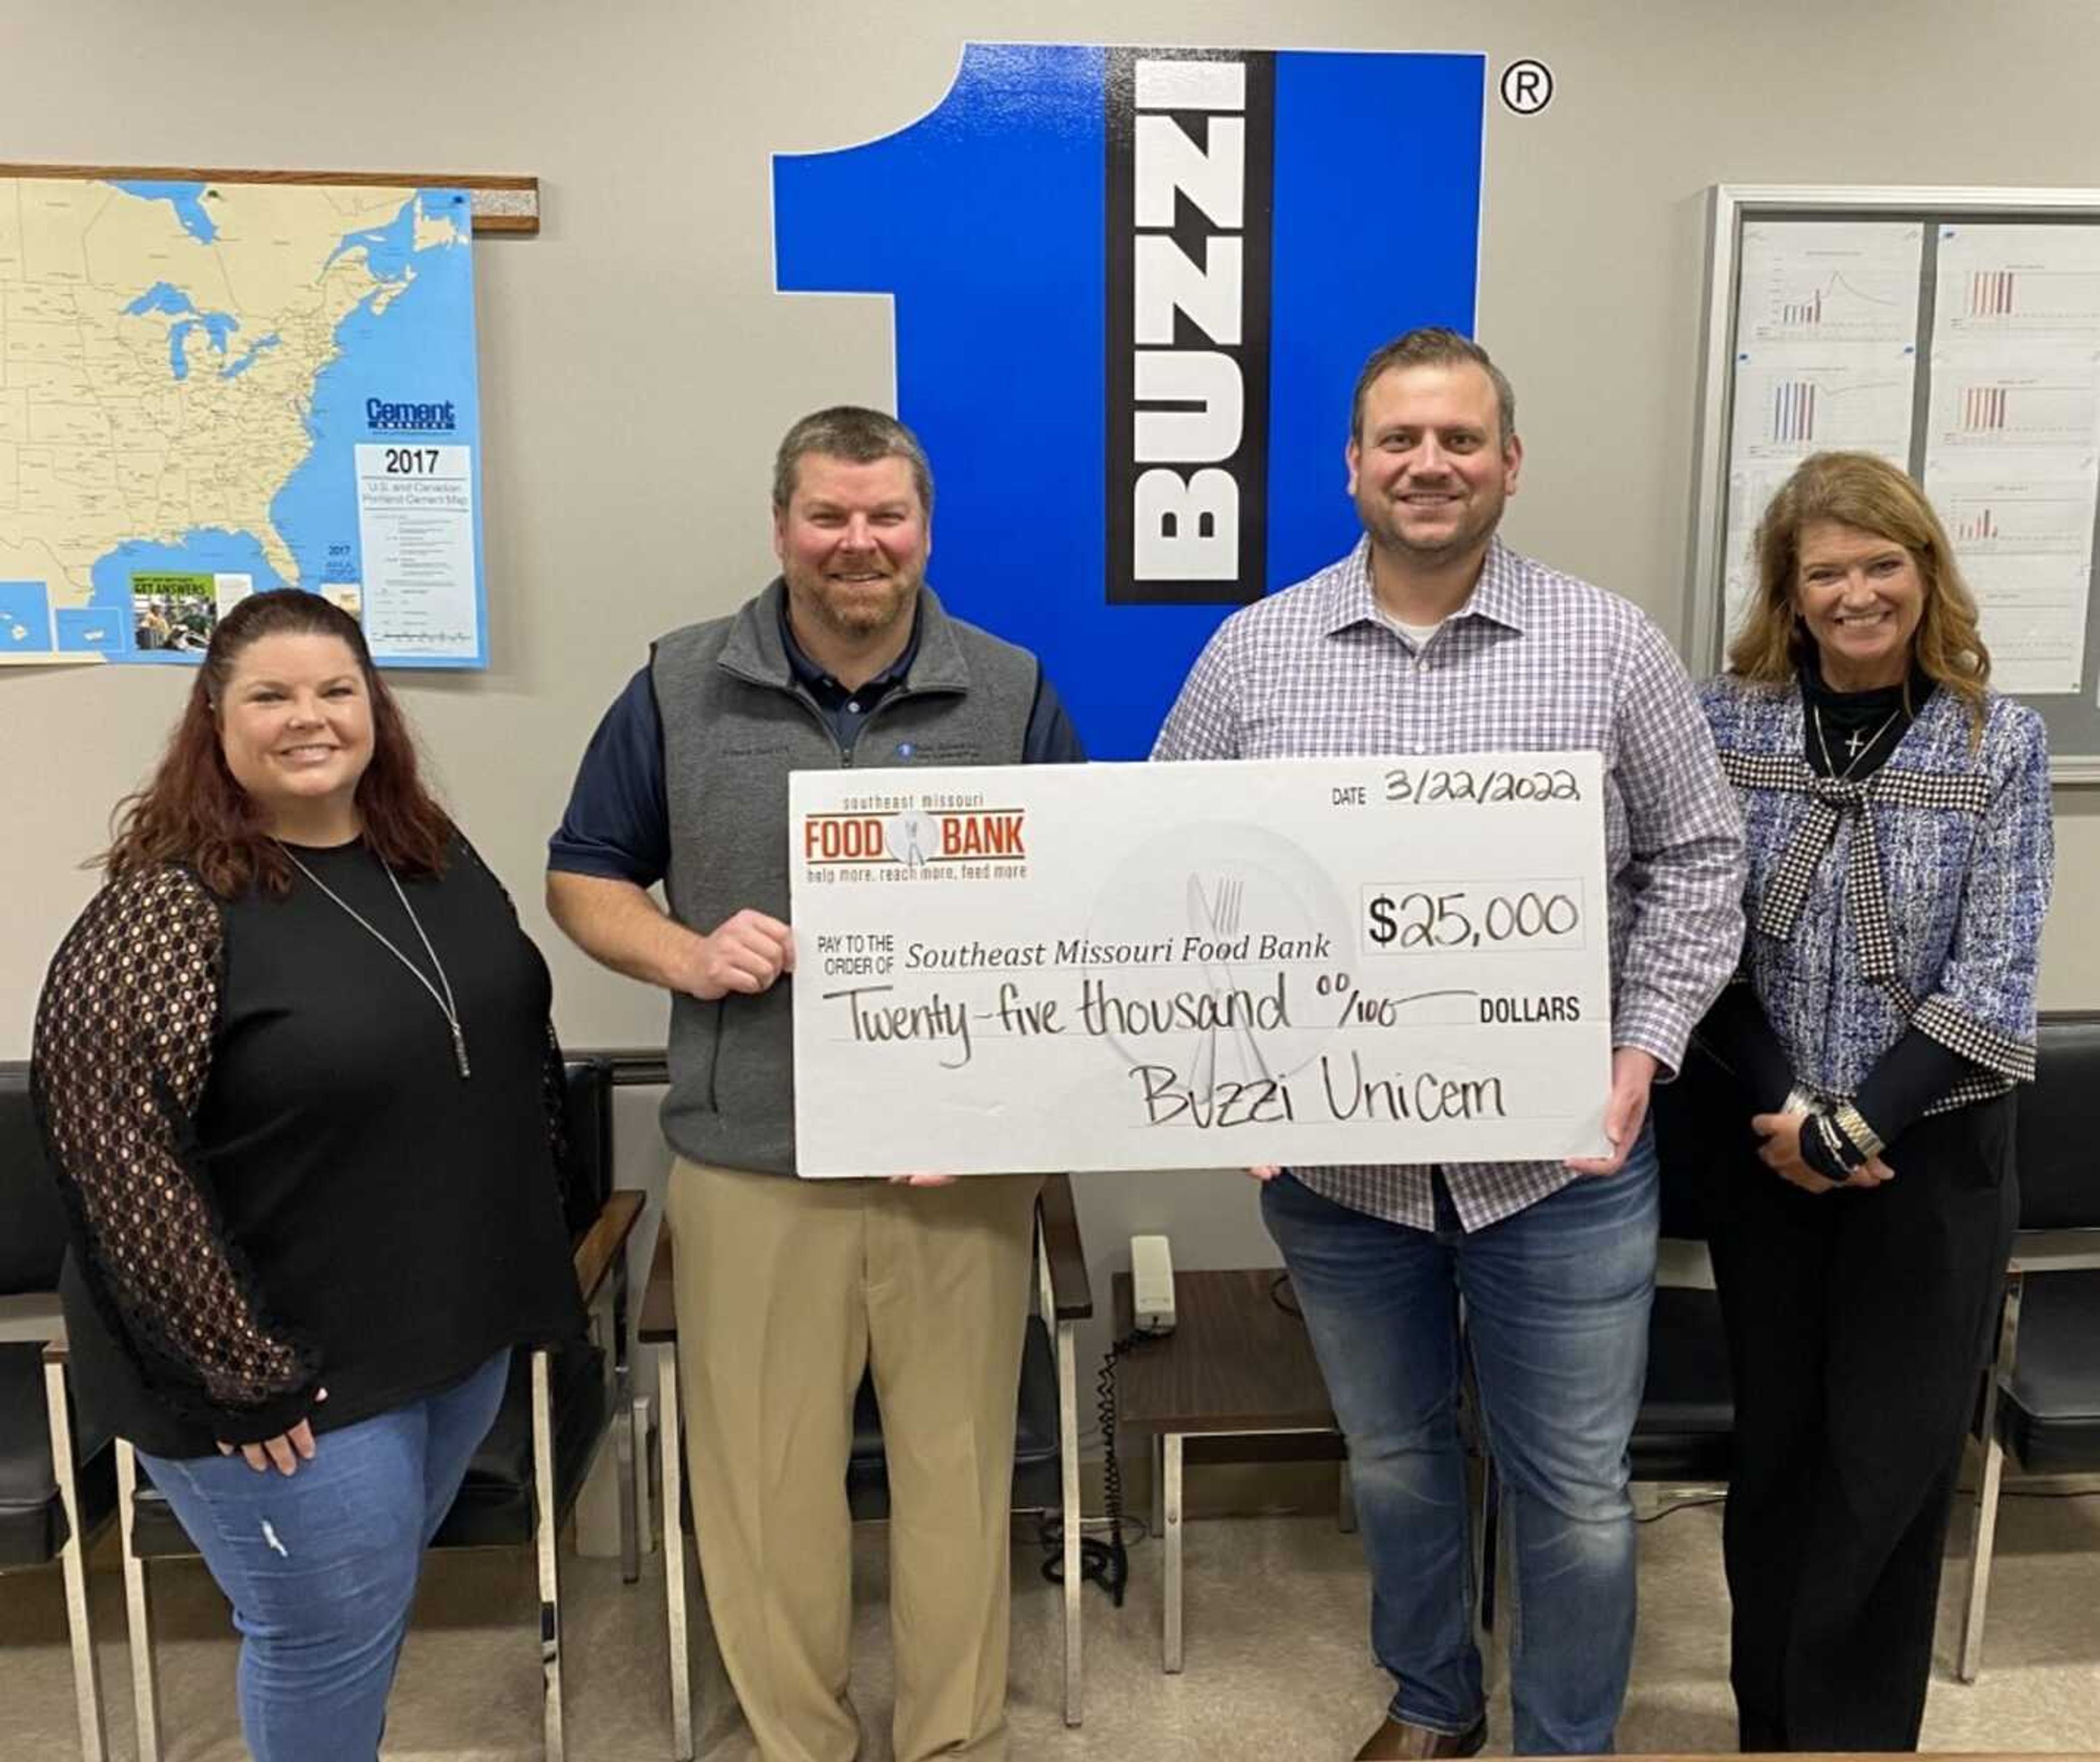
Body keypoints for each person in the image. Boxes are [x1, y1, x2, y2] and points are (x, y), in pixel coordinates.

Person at [1152, 327, 1745, 1758]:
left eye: (1460, 439)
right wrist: (1229, 1073)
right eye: (1402, 440)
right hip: (1343, 1177)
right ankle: (1433, 1700)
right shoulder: (1255, 652)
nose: (1431, 464)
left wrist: (1637, 1055)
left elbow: (1703, 858)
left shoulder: (1612, 645)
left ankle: (1565, 1740)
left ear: (1510, 464)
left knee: (1582, 1498)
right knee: (1400, 1466)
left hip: (1563, 1166)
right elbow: (1171, 871)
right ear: (1353, 465)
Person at [546, 405, 1084, 1762]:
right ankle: (800, 1738)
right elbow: (582, 873)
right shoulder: (677, 682)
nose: (860, 544)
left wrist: (1009, 1101)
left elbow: (1085, 906)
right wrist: (686, 949)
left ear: (925, 528)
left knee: (960, 1473)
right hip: (751, 1157)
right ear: (781, 524)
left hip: (958, 1163)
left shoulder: (1010, 688)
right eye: (829, 517)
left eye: (886, 516)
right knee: (768, 1485)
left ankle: (949, 1736)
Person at [30, 588, 583, 1762]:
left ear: (373, 707)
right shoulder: (168, 912)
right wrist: (240, 1375)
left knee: (371, 1606)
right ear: (214, 720)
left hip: (448, 1329)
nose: (309, 718)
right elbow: (112, 1160)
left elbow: (508, 1051)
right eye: (270, 695)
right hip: (275, 1365)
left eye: (335, 690)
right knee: (322, 1627)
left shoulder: (431, 858)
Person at [1693, 451, 2051, 1752]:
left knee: (1890, 1471)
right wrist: (1797, 1117)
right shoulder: (1725, 727)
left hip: (1934, 1158)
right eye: (1826, 570)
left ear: (1925, 573)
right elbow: (1698, 940)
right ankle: (1771, 1722)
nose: (1857, 593)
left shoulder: (1997, 740)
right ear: (1787, 594)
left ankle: (1850, 1738)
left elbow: (1998, 975)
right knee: (1780, 1452)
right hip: (1763, 1144)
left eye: (1881, 564)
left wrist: (1857, 1128)